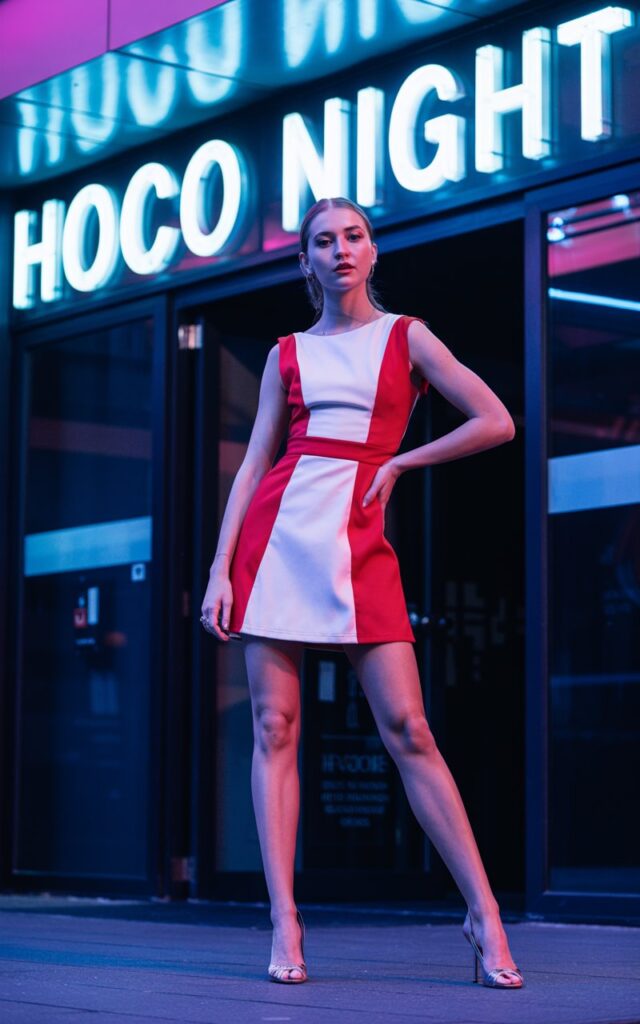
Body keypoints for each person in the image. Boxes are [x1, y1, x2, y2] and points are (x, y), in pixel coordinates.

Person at [200, 196, 524, 989]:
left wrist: (404, 463)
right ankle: (285, 919)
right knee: (274, 726)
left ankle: (483, 914)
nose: (340, 250)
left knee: (409, 728)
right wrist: (218, 566)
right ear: (304, 261)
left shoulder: (406, 336)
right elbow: (254, 464)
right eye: (322, 241)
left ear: (373, 252)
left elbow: (495, 420)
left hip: (360, 541)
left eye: (353, 237)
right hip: (275, 537)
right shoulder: (286, 353)